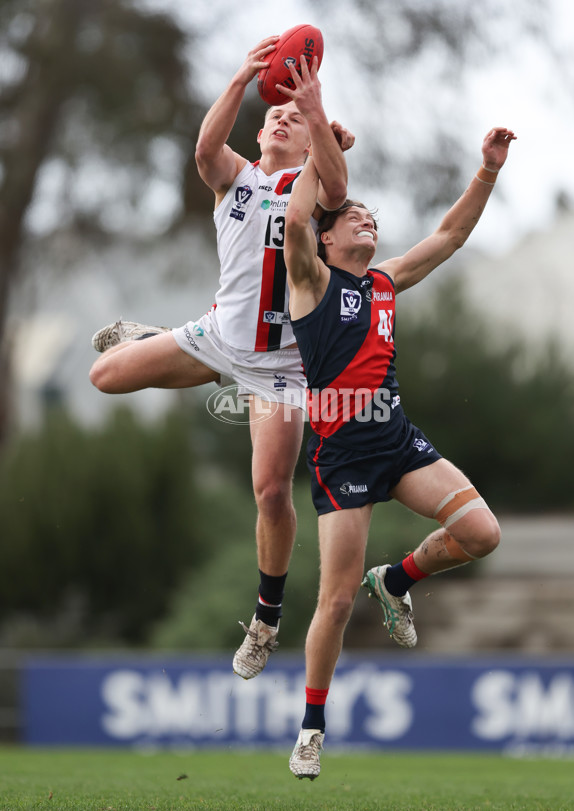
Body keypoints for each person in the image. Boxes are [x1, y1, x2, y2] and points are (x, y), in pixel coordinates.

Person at [89, 39, 353, 679]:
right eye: (276, 117)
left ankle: (266, 617)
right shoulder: (237, 179)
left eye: (293, 118)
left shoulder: (310, 184)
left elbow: (339, 185)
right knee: (103, 376)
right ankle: (179, 346)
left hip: (281, 367)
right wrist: (240, 77)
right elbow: (204, 150)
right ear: (259, 135)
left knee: (268, 490)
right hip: (219, 337)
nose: (284, 120)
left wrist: (320, 124)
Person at [283, 126, 517, 779]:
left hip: (396, 441)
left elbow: (450, 237)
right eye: (353, 214)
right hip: (343, 457)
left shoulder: (384, 281)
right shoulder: (310, 279)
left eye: (372, 216)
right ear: (327, 238)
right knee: (332, 602)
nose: (367, 219)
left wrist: (488, 173)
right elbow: (296, 217)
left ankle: (395, 580)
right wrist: (314, 157)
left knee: (481, 531)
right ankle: (312, 726)